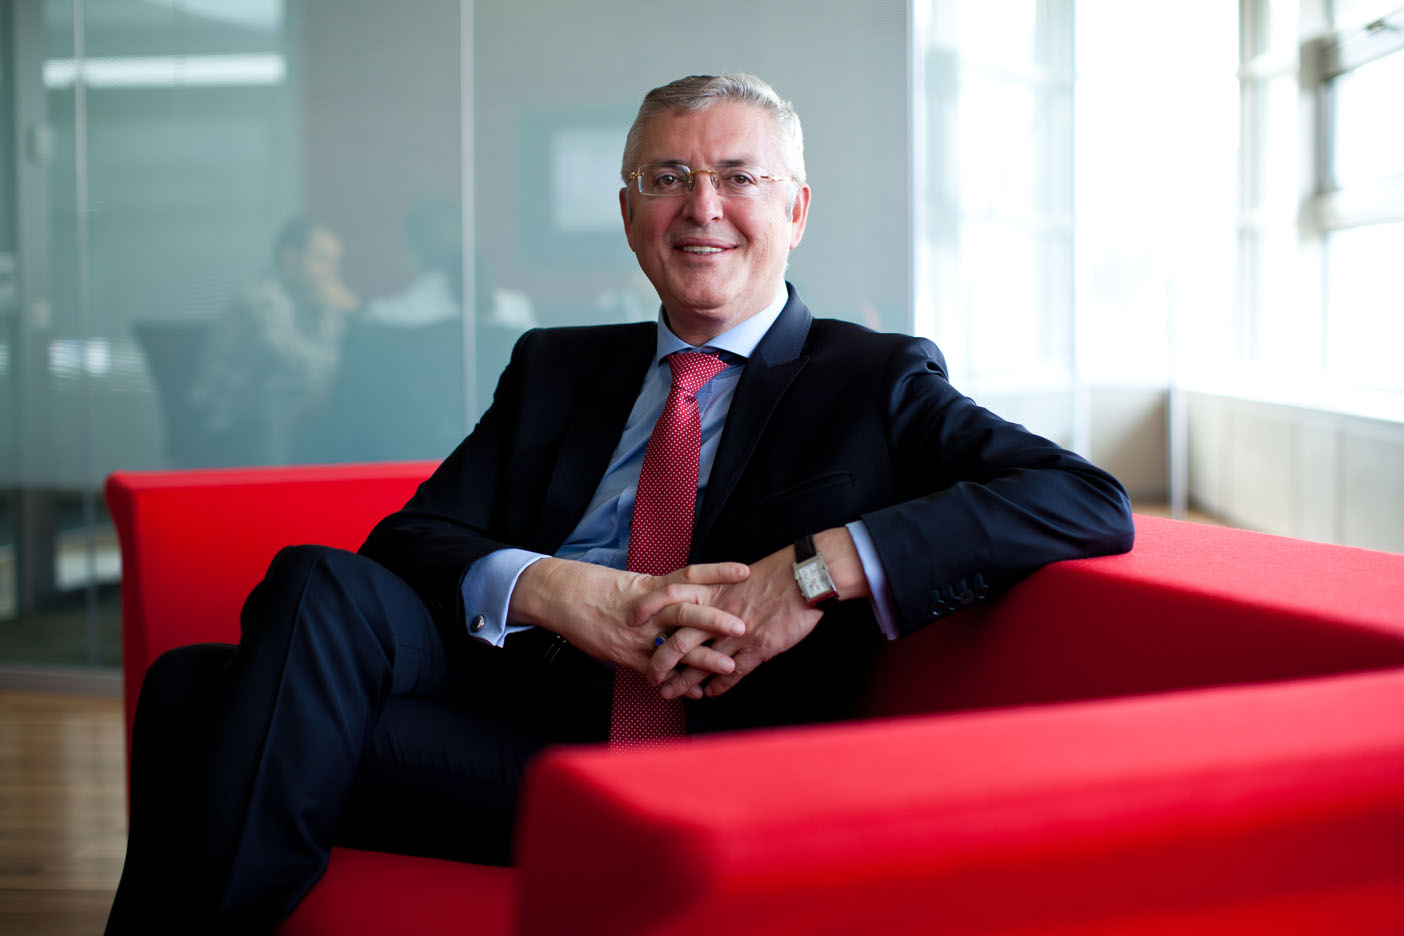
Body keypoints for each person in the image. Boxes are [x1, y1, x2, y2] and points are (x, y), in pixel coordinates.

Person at [106, 73, 1134, 933]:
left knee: (200, 701)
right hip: (498, 700)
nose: (702, 207)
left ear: (795, 210)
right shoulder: (557, 367)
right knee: (307, 586)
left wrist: (811, 574)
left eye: (739, 178)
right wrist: (557, 591)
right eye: (667, 178)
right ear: (630, 213)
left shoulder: (873, 378)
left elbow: (1081, 498)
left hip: (674, 754)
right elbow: (411, 542)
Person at [189, 217, 359, 465]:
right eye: (322, 259)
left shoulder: (319, 300)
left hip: (276, 424)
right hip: (227, 430)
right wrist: (355, 312)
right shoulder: (260, 298)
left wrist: (352, 322)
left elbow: (339, 361)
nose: (332, 272)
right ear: (290, 258)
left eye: (335, 261)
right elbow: (296, 362)